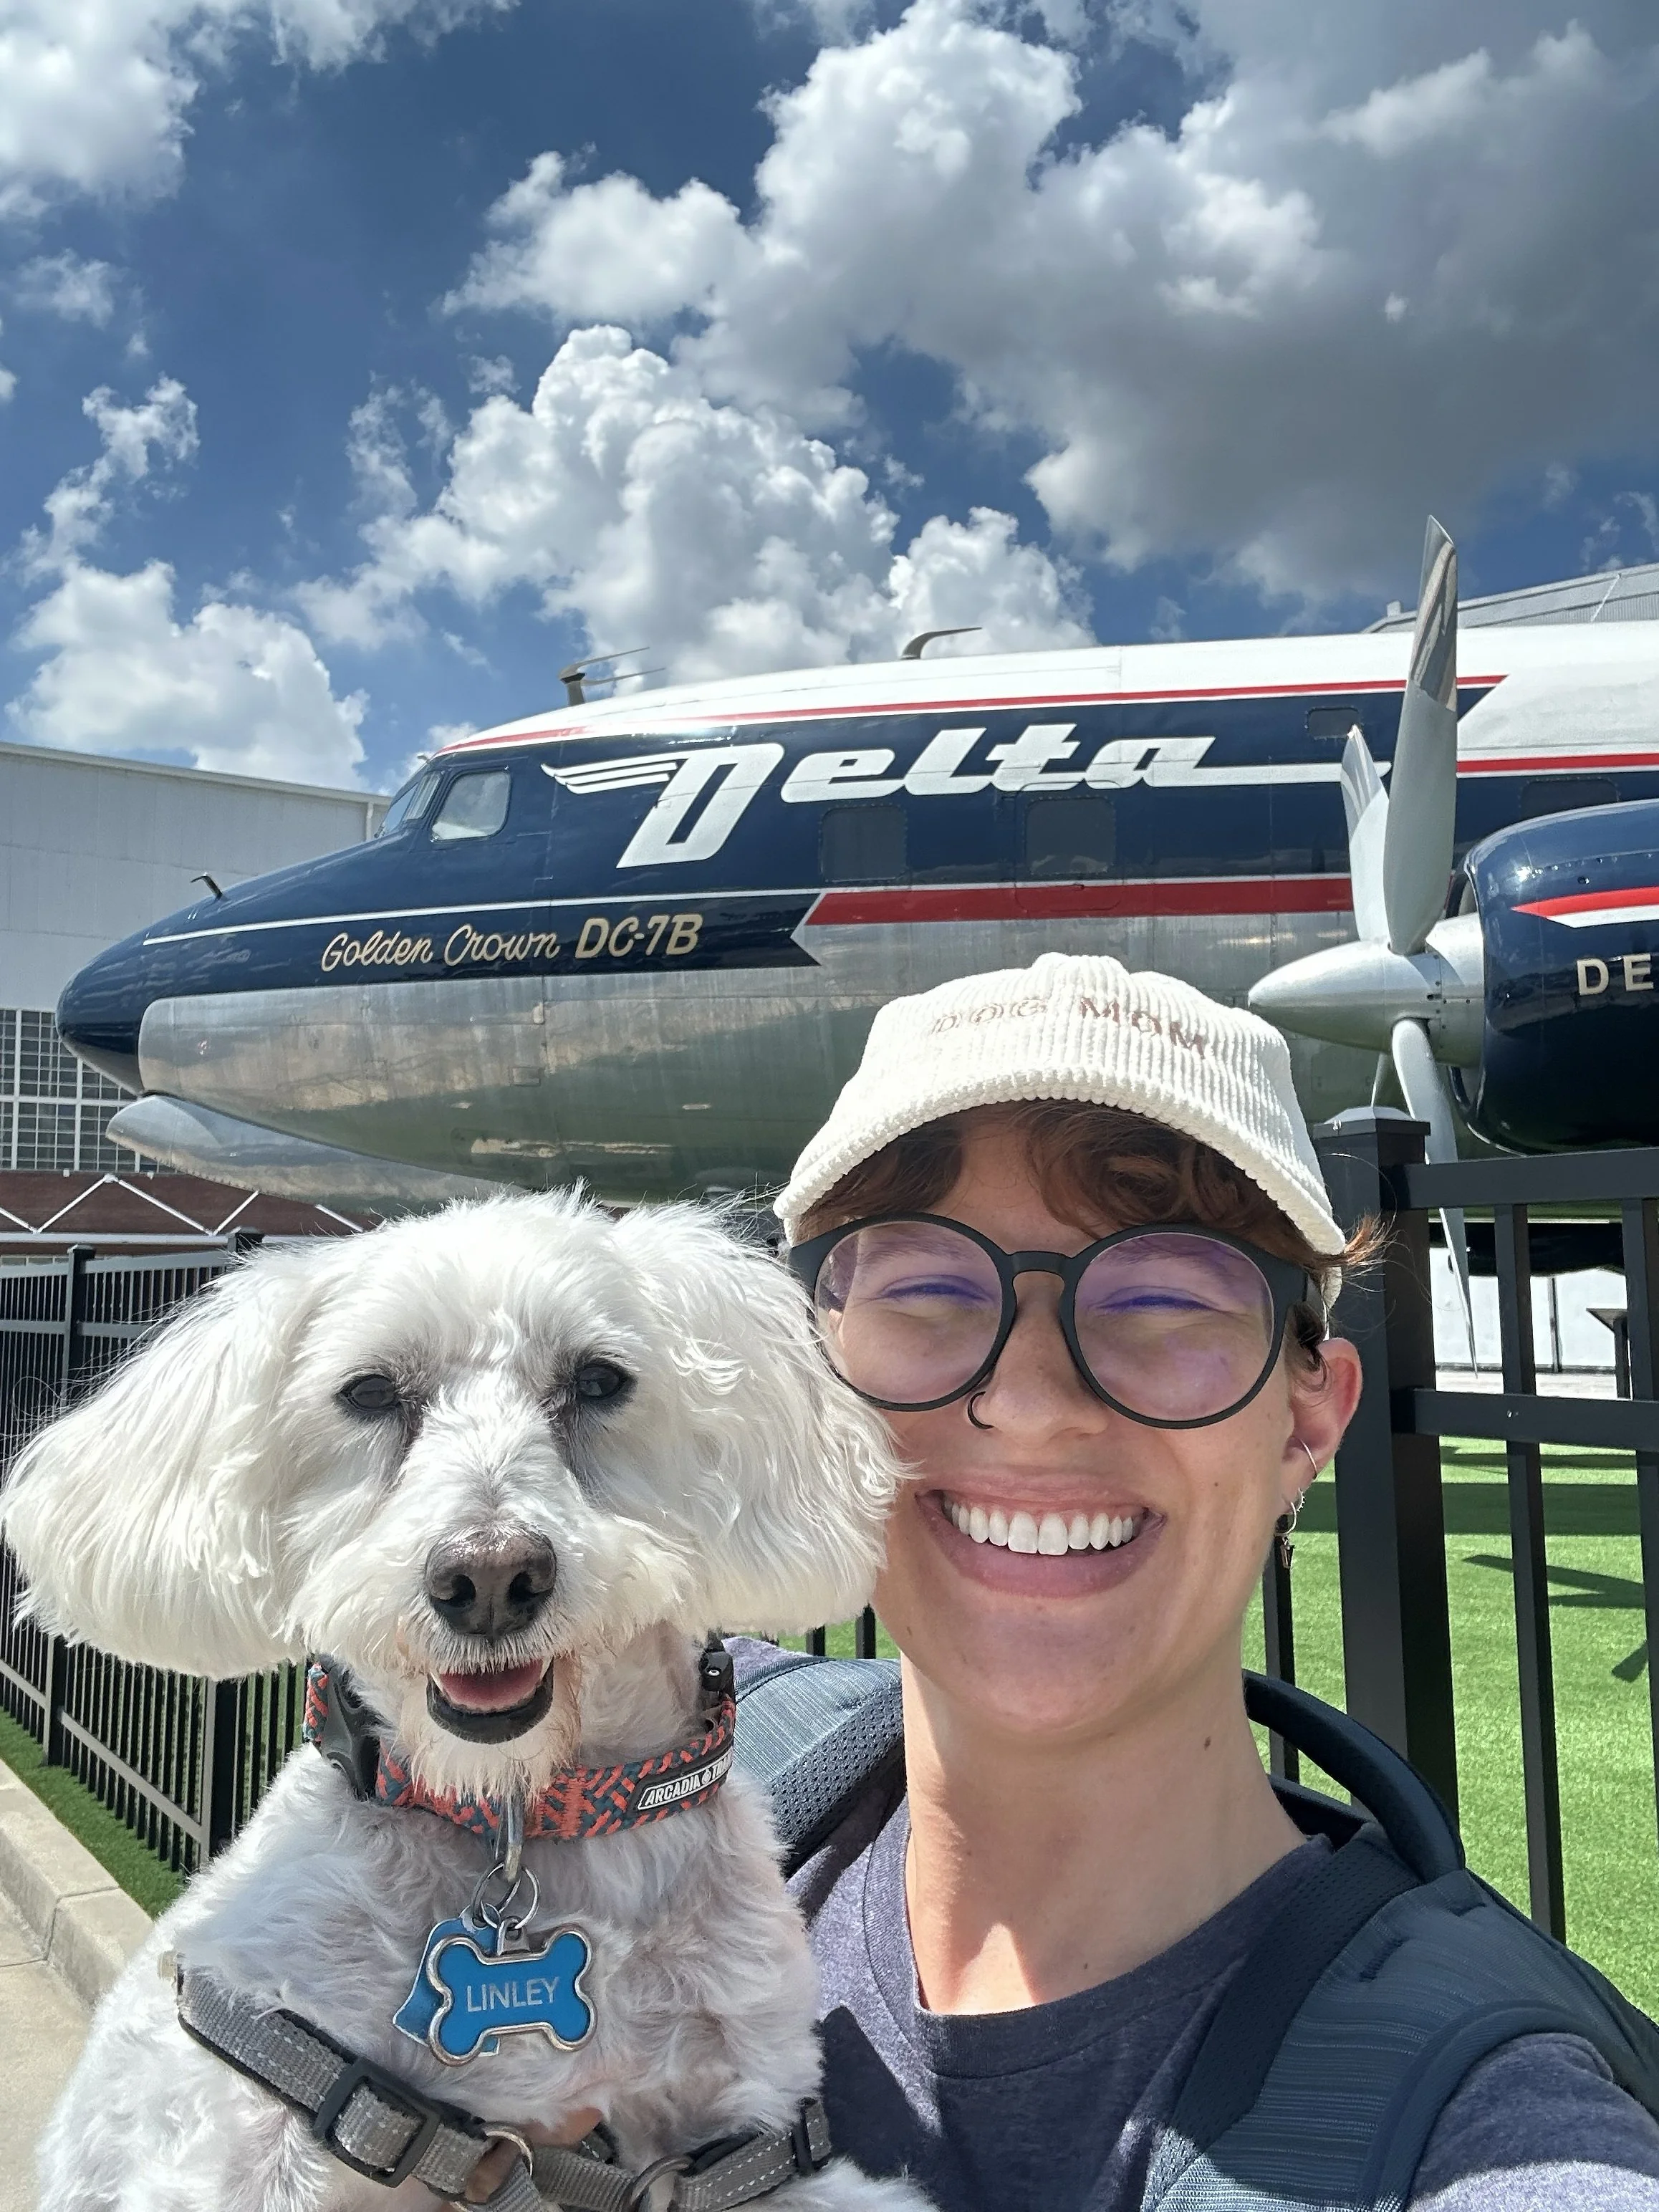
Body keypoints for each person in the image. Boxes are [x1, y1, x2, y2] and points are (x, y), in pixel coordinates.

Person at [759, 951, 1659, 2212]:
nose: (1026, 1403)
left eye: (1165, 1298)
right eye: (927, 1289)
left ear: (1308, 1420)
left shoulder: (1479, 2127)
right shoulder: (667, 1782)